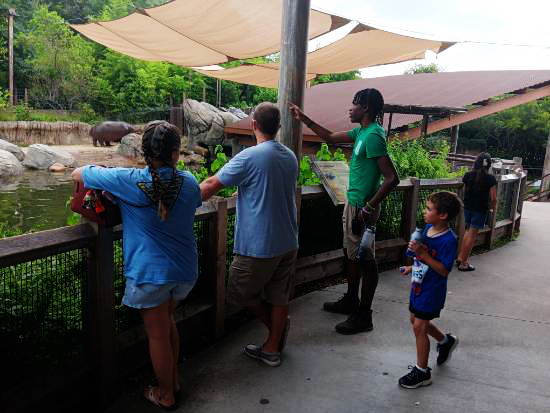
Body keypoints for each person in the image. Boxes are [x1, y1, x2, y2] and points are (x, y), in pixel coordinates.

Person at [72, 121, 202, 410]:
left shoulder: (128, 180)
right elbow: (186, 203)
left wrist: (105, 173)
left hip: (150, 274)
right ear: (176, 153)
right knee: (167, 323)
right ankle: (174, 381)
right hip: (184, 271)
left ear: (144, 152)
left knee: (156, 335)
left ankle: (166, 394)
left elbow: (78, 173)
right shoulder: (190, 182)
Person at [289, 88, 400, 334]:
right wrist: (303, 118)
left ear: (366, 108)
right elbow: (329, 137)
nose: (350, 108)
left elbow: (392, 178)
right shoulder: (361, 132)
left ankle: (364, 315)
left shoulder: (374, 136)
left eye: (354, 104)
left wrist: (369, 207)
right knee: (351, 254)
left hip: (363, 208)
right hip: (354, 204)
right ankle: (351, 299)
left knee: (366, 260)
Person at [200, 102, 298, 367]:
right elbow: (268, 187)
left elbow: (210, 185)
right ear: (278, 127)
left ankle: (275, 336)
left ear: (254, 124)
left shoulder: (249, 156)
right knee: (279, 296)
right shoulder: (290, 156)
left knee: (240, 292)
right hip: (288, 240)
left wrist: (180, 201)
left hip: (260, 245)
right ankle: (272, 346)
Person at [398, 191, 462, 389]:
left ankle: (422, 372)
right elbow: (421, 258)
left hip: (432, 290)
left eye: (428, 209)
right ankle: (445, 341)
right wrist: (412, 266)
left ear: (442, 215)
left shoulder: (448, 240)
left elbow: (443, 270)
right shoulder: (427, 229)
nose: (424, 212)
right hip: (418, 286)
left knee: (419, 326)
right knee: (415, 321)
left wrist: (423, 255)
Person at [457, 153, 497, 271]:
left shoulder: (468, 175)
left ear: (476, 163)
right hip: (480, 210)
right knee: (472, 235)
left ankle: (460, 257)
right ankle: (464, 263)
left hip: (467, 207)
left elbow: (465, 191)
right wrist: (492, 208)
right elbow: (493, 198)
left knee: (467, 232)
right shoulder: (490, 179)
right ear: (488, 165)